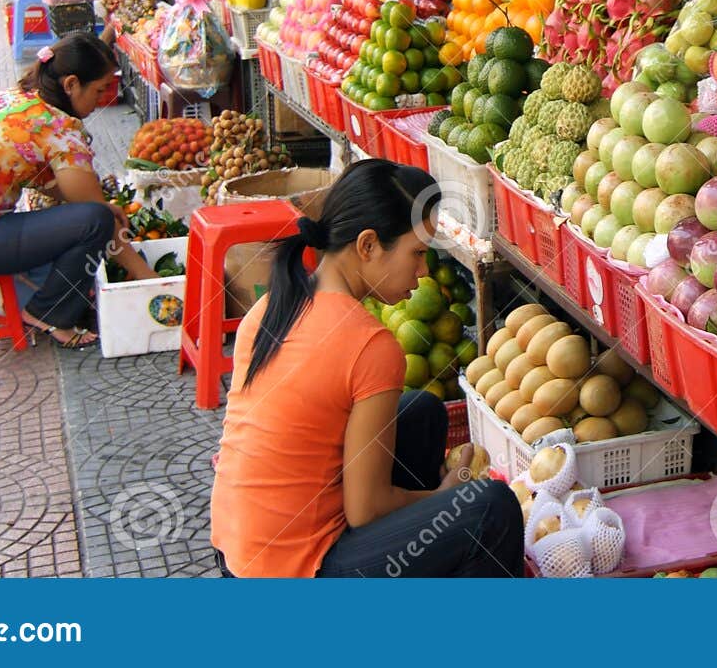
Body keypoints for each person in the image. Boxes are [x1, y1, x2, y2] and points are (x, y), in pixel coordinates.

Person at [210, 159, 522, 579]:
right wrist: (442, 496)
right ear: (368, 245)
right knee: (490, 507)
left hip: (239, 551)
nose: (424, 271)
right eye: (417, 253)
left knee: (421, 411)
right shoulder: (370, 345)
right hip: (293, 570)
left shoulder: (273, 305)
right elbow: (366, 510)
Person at [0, 33, 151, 349]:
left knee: (94, 214)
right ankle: (49, 312)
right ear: (71, 84)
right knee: (95, 221)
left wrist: (98, 204)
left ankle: (45, 296)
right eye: (100, 90)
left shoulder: (15, 99)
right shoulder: (59, 128)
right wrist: (147, 276)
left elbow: (49, 181)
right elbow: (96, 218)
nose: (102, 100)